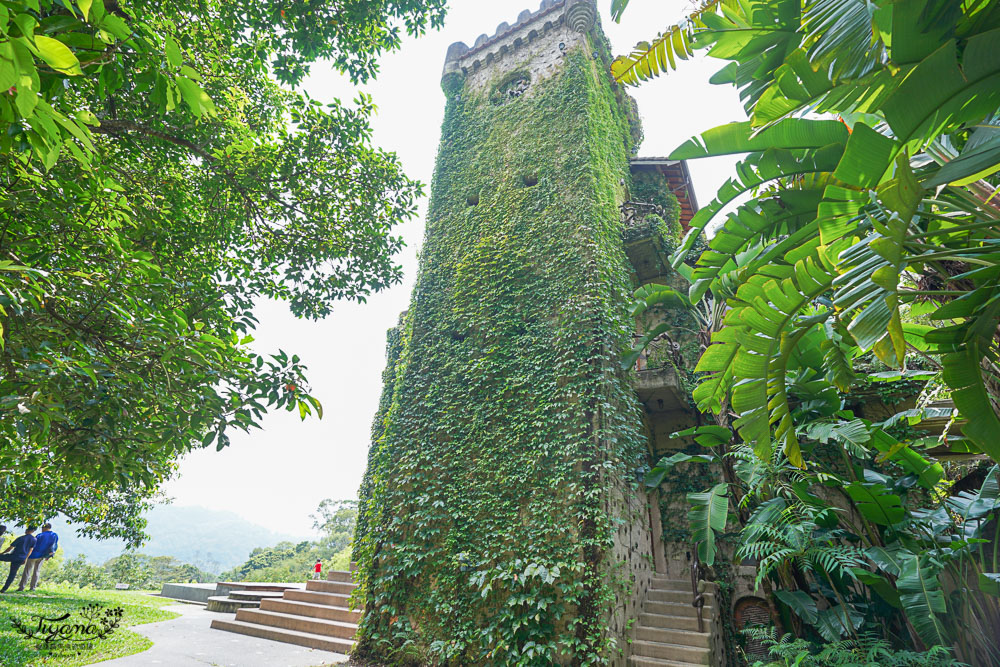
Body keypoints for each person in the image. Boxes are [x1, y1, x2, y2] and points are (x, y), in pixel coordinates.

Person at [19, 523, 58, 592]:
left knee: (27, 571)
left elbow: (33, 545)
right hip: (43, 556)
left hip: (33, 555)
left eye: (42, 528)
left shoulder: (40, 535)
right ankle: (32, 587)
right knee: (37, 571)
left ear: (44, 528)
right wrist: (48, 556)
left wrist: (27, 555)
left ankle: (22, 587)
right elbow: (54, 546)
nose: (41, 530)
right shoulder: (54, 535)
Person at [0, 527, 36, 593]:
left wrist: (2, 553)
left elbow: (10, 548)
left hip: (14, 556)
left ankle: (4, 589)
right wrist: (26, 558)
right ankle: (4, 589)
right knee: (12, 573)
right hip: (21, 558)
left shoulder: (21, 538)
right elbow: (30, 550)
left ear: (27, 530)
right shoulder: (34, 539)